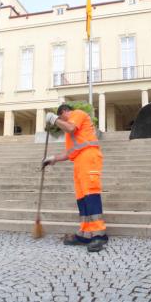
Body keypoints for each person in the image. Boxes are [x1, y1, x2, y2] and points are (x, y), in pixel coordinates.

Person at [43, 104, 108, 252]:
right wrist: (52, 158)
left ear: (65, 112)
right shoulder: (70, 135)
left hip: (89, 156)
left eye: (61, 118)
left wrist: (54, 119)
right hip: (79, 161)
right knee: (82, 197)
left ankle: (99, 234)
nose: (61, 123)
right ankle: (86, 233)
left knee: (91, 194)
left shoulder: (77, 114)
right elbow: (69, 153)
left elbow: (70, 127)